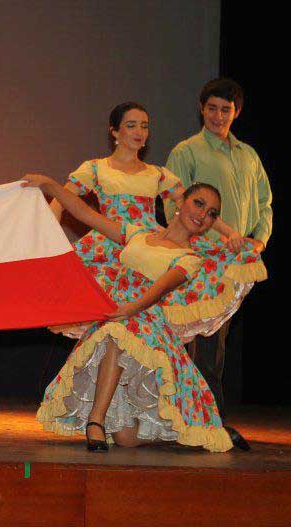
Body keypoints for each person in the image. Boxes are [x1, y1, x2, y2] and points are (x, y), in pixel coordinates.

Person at [27, 174, 234, 452]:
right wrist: (48, 185)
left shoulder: (190, 258)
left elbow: (159, 289)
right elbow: (85, 213)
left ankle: (96, 421)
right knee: (125, 437)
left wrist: (131, 309)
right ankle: (184, 433)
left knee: (117, 333)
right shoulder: (138, 234)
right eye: (198, 203)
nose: (203, 215)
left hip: (147, 326)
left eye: (211, 213)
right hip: (119, 315)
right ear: (180, 202)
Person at [165, 78, 272, 449]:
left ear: (236, 112)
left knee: (216, 345)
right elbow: (173, 203)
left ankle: (207, 419)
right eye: (211, 108)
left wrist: (259, 240)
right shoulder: (187, 151)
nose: (218, 116)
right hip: (198, 260)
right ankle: (200, 421)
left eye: (226, 109)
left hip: (234, 264)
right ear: (201, 109)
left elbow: (265, 204)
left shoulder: (248, 155)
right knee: (195, 342)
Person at [50, 102, 245, 285]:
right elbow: (61, 199)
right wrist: (46, 237)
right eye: (131, 125)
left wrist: (230, 233)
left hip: (149, 246)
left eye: (144, 126)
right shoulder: (95, 168)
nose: (139, 132)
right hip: (109, 241)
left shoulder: (157, 174)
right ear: (115, 131)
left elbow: (194, 206)